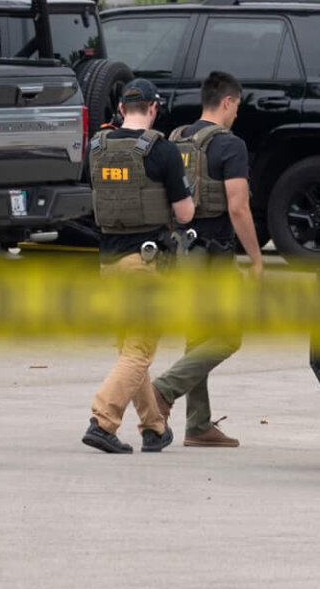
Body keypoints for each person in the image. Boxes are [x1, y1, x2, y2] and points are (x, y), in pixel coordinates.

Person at [151, 71, 265, 448]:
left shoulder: (175, 139)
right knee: (229, 336)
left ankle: (198, 425)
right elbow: (238, 207)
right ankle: (163, 391)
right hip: (214, 256)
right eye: (237, 106)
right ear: (228, 102)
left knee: (198, 337)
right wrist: (257, 258)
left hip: (180, 251)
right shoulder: (230, 145)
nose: (237, 114)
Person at [81, 78, 194, 455]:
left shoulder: (95, 147)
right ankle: (102, 420)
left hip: (108, 262)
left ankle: (153, 427)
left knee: (131, 347)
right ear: (153, 108)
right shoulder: (162, 151)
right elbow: (185, 212)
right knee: (140, 348)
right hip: (145, 263)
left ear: (121, 110)